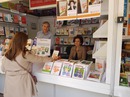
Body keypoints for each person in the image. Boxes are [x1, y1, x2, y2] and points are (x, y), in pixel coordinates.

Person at [1, 32, 58, 97]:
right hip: (22, 82)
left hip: (9, 82)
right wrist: (52, 59)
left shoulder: (7, 54)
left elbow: (3, 69)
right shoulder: (24, 54)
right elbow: (40, 59)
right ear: (22, 42)